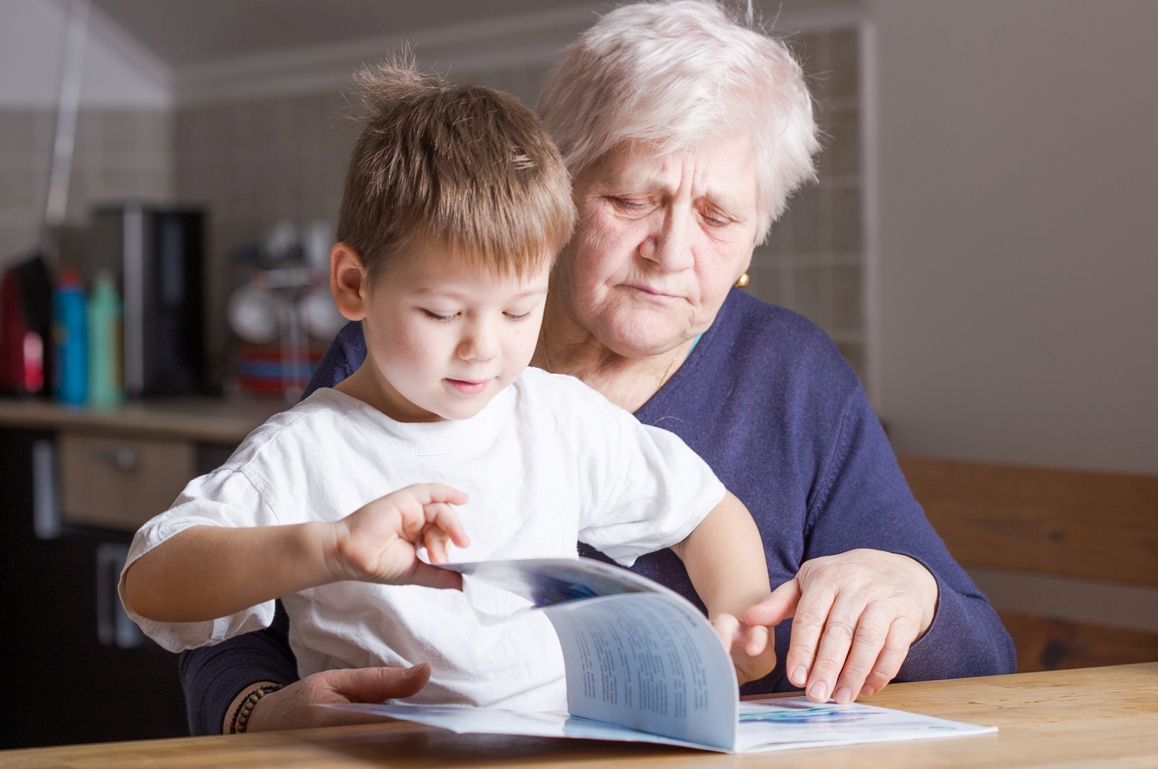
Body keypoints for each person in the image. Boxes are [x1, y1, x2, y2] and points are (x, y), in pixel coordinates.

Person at [181, 0, 1016, 735]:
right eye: (632, 199)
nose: (671, 251)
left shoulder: (792, 374)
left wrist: (911, 592)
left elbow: (984, 660)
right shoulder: (403, 354)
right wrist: (260, 711)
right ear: (558, 192)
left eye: (719, 215)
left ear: (755, 240)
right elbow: (242, 608)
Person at [121, 58, 780, 727]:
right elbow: (150, 582)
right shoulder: (308, 448)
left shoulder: (557, 418)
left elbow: (706, 511)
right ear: (353, 284)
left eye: (520, 311)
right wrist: (322, 549)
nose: (483, 347)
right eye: (441, 313)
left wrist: (739, 612)